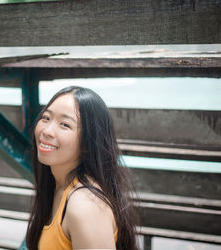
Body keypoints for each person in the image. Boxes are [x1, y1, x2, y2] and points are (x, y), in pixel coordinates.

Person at [26, 86, 139, 250]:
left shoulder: (85, 206)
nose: (47, 131)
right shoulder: (58, 187)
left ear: (88, 142)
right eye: (46, 117)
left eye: (64, 124)